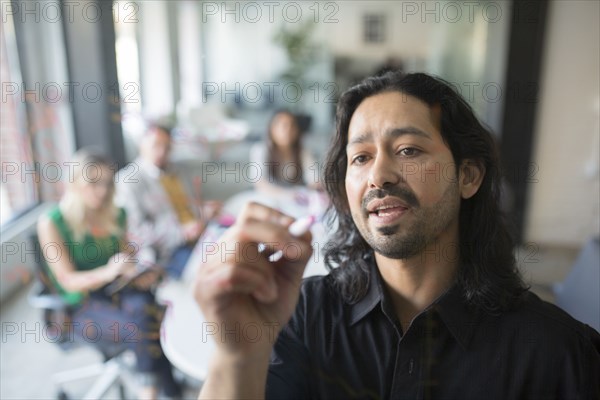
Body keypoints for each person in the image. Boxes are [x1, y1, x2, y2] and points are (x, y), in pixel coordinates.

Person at [194, 72, 600, 399]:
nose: (378, 175)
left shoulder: (556, 353)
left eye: (408, 150)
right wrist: (238, 356)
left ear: (469, 176)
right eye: (360, 157)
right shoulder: (302, 316)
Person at [37, 149, 181, 399]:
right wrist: (108, 271)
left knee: (150, 308)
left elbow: (126, 260)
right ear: (75, 182)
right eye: (93, 182)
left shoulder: (116, 214)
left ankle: (158, 389)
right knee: (144, 324)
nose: (102, 191)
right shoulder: (52, 222)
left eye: (106, 183)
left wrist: (139, 273)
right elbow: (68, 282)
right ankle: (159, 391)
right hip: (79, 305)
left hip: (116, 291)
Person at [116, 122, 220, 279]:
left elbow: (193, 203)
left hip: (203, 233)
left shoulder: (180, 170)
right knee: (218, 268)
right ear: (141, 144)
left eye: (167, 147)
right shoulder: (128, 181)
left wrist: (204, 210)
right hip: (171, 249)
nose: (162, 151)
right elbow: (136, 231)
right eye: (156, 145)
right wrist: (182, 233)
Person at [250, 109, 320, 196]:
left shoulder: (303, 152)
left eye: (292, 126)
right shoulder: (260, 150)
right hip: (268, 197)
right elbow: (260, 183)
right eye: (283, 125)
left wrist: (315, 188)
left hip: (296, 202)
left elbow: (314, 179)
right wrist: (287, 195)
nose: (288, 130)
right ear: (272, 129)